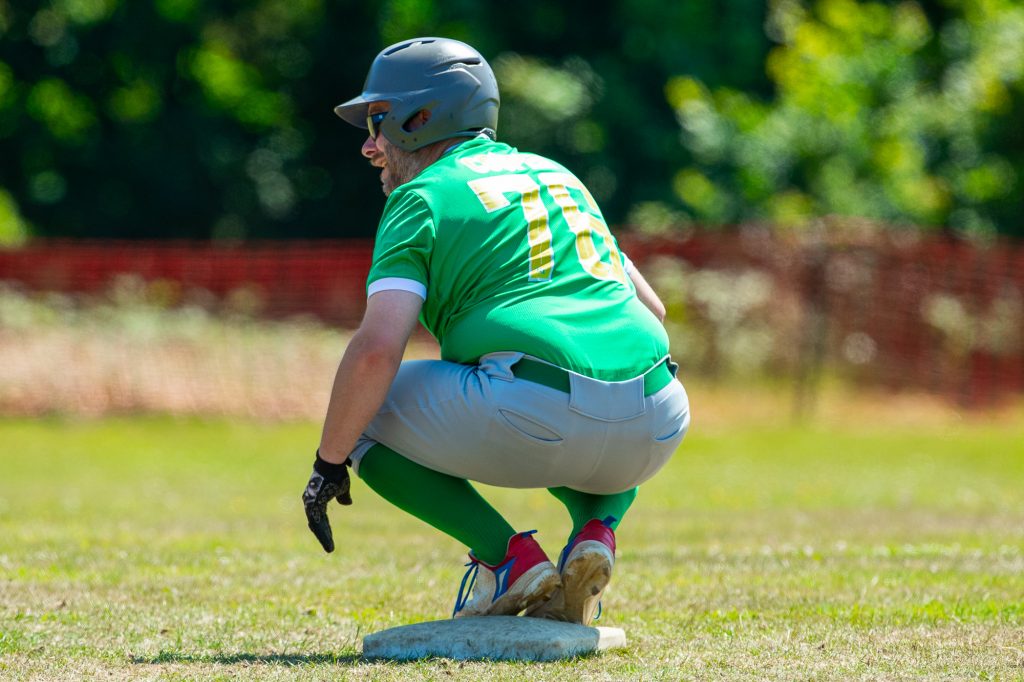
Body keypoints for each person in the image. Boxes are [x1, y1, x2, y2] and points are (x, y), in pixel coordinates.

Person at [302, 37, 690, 625]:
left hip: (535, 413)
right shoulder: (558, 176)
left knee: (362, 411)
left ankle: (507, 559)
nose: (369, 144)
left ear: (421, 118)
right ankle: (597, 529)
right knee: (596, 415)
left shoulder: (421, 195)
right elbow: (653, 310)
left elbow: (376, 350)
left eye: (378, 120)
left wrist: (327, 464)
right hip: (658, 415)